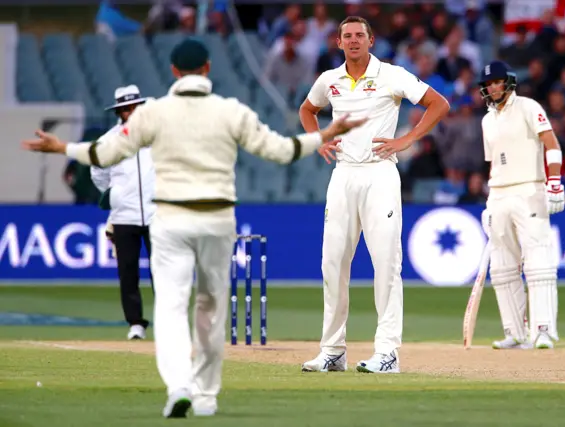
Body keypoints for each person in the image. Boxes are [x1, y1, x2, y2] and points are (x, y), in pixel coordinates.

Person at [21, 38, 366, 418]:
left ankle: (178, 387)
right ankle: (206, 395)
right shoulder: (229, 110)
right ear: (206, 69)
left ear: (173, 72)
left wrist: (62, 148)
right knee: (211, 309)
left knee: (170, 307)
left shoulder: (152, 114)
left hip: (170, 220)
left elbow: (103, 154)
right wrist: (324, 134)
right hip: (217, 220)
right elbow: (281, 150)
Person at [298, 16, 450, 374]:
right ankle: (333, 350)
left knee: (385, 264)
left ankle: (388, 353)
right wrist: (317, 138)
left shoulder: (392, 75)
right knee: (332, 263)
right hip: (343, 175)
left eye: (359, 36)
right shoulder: (329, 80)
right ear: (338, 43)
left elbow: (438, 104)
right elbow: (308, 109)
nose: (353, 41)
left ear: (371, 40)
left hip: (380, 174)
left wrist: (406, 140)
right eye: (347, 36)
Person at [478, 61, 565, 351]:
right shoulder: (487, 120)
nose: (493, 87)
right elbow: (495, 164)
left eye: (498, 82)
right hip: (499, 195)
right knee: (502, 268)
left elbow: (552, 145)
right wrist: (489, 203)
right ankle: (515, 332)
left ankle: (543, 331)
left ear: (508, 82)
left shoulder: (528, 107)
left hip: (530, 189)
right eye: (489, 83)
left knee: (538, 263)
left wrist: (554, 182)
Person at [91, 85, 156, 341]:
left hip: (156, 213)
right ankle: (136, 324)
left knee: (162, 272)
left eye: (133, 107)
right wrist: (116, 193)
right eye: (125, 109)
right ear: (119, 111)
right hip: (124, 216)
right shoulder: (109, 140)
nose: (130, 112)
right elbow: (98, 172)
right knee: (127, 271)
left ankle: (168, 323)